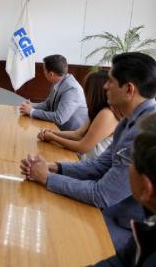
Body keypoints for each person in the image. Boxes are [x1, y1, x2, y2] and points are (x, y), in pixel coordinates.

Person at [19, 52, 156, 253]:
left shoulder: (143, 130)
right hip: (113, 213)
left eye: (110, 81)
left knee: (56, 239)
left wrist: (47, 178)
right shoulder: (129, 120)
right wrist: (55, 167)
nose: (105, 86)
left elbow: (101, 194)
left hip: (125, 227)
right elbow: (99, 165)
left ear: (129, 89)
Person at [95, 113, 156, 266]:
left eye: (130, 160)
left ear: (146, 188)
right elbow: (123, 260)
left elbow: (101, 193)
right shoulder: (149, 227)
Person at [38, 70, 121, 160]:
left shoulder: (106, 114)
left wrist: (53, 138)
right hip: (85, 161)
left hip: (92, 167)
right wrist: (52, 133)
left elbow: (82, 147)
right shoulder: (99, 111)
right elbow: (77, 135)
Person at [19, 54, 88, 131]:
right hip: (57, 129)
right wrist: (31, 107)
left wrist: (32, 111)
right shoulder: (58, 82)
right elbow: (47, 104)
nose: (44, 72)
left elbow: (59, 118)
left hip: (72, 135)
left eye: (44, 70)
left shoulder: (72, 89)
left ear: (51, 74)